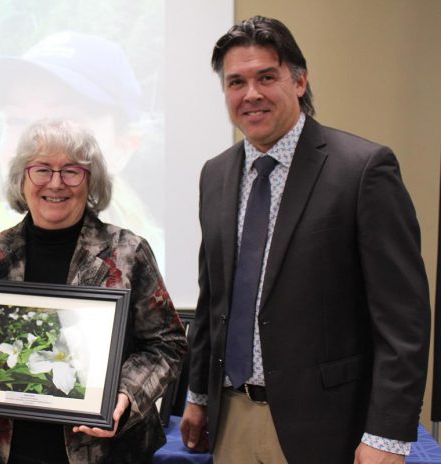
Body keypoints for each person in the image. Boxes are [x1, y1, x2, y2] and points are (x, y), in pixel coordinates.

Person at [180, 16, 430, 464]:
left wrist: (388, 436)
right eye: (236, 81)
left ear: (299, 81)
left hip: (328, 427)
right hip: (231, 419)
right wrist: (198, 395)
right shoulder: (215, 174)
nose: (250, 94)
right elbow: (211, 300)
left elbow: (403, 319)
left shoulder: (363, 170)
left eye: (266, 77)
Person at [0, 118, 187, 463]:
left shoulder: (128, 252)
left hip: (102, 451)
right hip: (5, 451)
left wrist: (125, 394)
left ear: (91, 182)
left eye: (72, 171)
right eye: (41, 169)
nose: (56, 183)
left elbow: (166, 344)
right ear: (22, 179)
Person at [0, 31, 166, 269]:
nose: (34, 144)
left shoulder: (142, 258)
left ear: (123, 147)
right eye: (17, 119)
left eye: (64, 123)